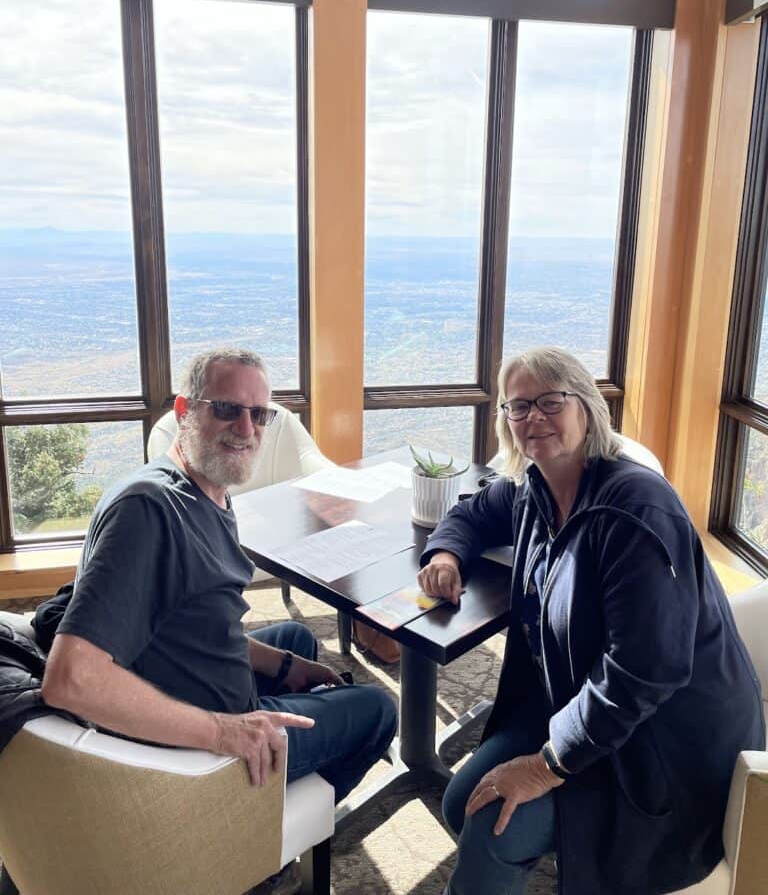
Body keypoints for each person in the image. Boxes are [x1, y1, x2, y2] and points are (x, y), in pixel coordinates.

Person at [42, 348, 397, 893]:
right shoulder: (149, 512)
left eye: (261, 414)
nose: (247, 428)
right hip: (201, 749)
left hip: (174, 675)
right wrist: (223, 731)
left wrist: (286, 665)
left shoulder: (206, 492)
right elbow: (71, 679)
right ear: (186, 411)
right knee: (378, 708)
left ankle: (269, 800)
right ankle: (256, 846)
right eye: (227, 409)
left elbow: (193, 624)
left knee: (298, 639)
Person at [418, 347, 764, 895]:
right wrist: (445, 555)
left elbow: (645, 671)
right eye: (519, 406)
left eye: (552, 401)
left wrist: (545, 766)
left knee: (492, 826)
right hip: (581, 711)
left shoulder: (635, 510)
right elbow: (471, 512)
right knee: (463, 800)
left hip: (660, 747)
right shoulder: (536, 489)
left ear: (587, 409)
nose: (534, 417)